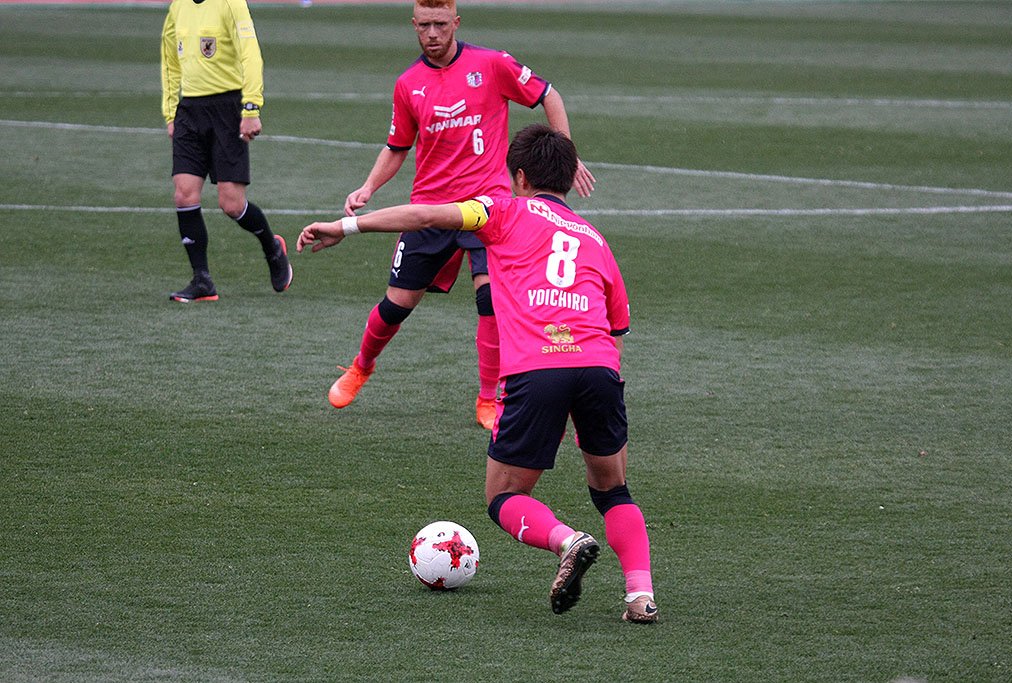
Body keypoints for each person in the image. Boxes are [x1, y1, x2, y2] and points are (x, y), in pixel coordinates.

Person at [297, 124, 657, 623]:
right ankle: (640, 596)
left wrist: (346, 226)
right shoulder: (596, 240)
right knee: (613, 490)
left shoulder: (502, 210)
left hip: (537, 369)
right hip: (598, 368)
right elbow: (616, 330)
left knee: (504, 495)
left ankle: (567, 540)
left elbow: (425, 215)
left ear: (520, 176)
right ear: (569, 180)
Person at [330, 0, 595, 429]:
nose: (432, 34)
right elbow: (397, 147)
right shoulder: (408, 84)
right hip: (430, 210)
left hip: (488, 205)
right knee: (397, 304)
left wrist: (566, 153)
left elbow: (549, 95)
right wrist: (368, 187)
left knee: (490, 299)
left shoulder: (492, 64)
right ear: (413, 25)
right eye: (424, 26)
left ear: (455, 22)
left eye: (440, 24)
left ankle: (488, 398)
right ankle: (361, 365)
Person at [161, 0, 292, 302]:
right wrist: (170, 113)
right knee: (184, 194)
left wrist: (251, 107)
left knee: (231, 204)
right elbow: (169, 60)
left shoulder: (231, 3)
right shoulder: (178, 7)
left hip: (228, 108)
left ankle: (272, 248)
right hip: (189, 110)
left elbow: (250, 53)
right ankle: (202, 280)